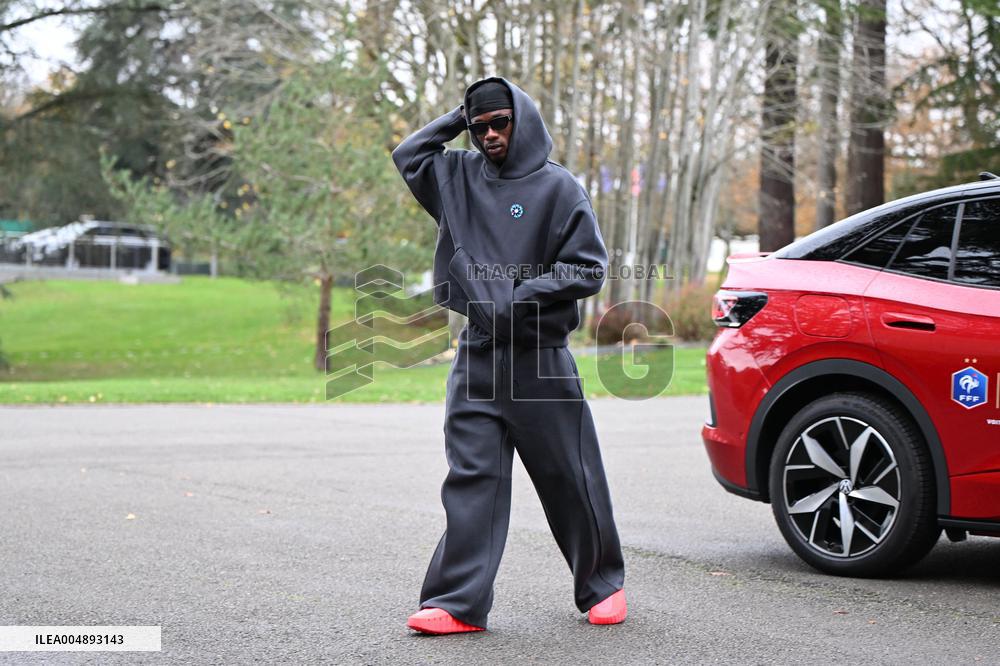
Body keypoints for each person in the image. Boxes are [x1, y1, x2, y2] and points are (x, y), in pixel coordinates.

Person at [391, 77, 626, 634]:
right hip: (476, 355)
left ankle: (603, 585)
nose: (491, 135)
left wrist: (519, 298)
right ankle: (458, 604)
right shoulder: (458, 176)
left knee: (570, 476)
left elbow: (587, 268)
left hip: (538, 356)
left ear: (524, 118)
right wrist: (462, 114)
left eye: (502, 122)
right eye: (481, 127)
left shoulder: (559, 188)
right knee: (472, 478)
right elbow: (410, 154)